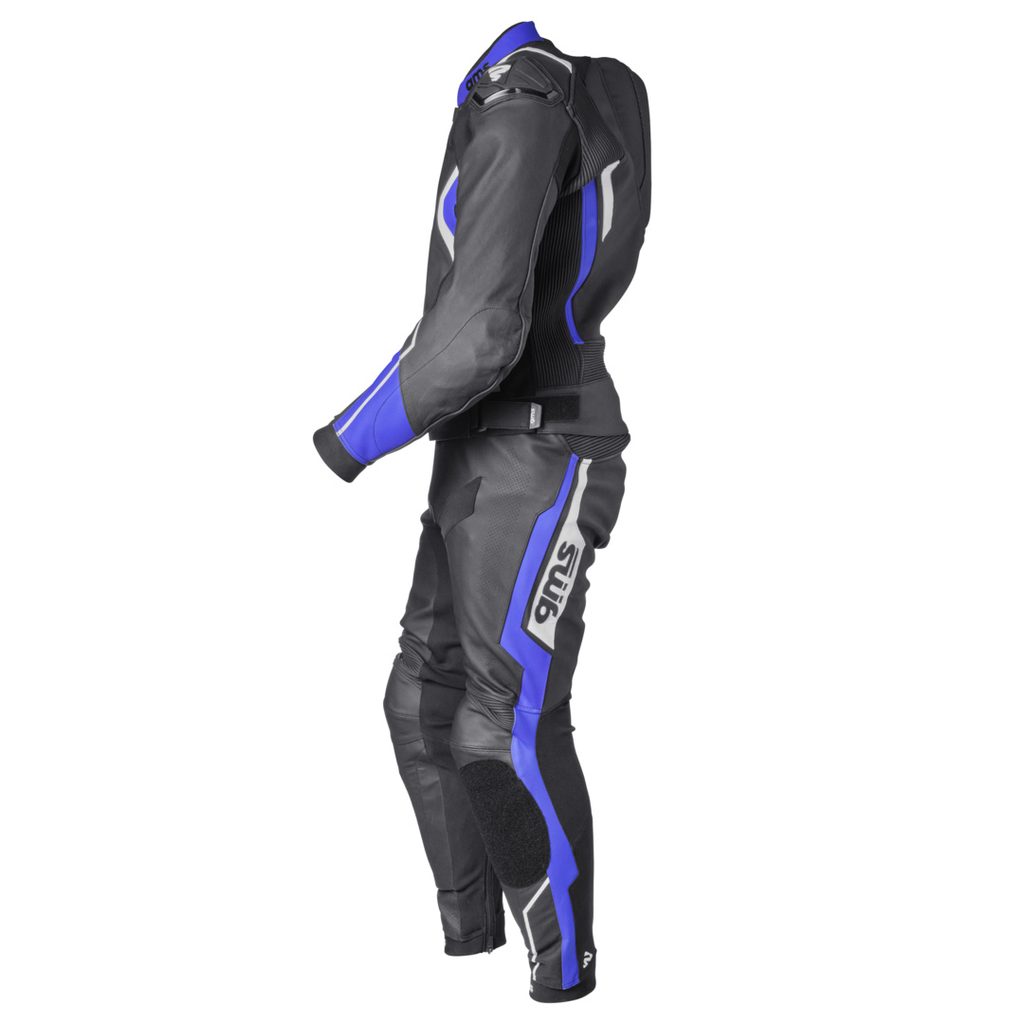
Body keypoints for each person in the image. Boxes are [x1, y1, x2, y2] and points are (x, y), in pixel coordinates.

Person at [313, 21, 651, 1002]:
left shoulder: (525, 98)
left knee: (501, 731)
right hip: (481, 444)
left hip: (539, 455)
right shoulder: (532, 91)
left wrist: (346, 438)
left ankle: (565, 970)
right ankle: (472, 941)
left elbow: (475, 334)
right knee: (420, 704)